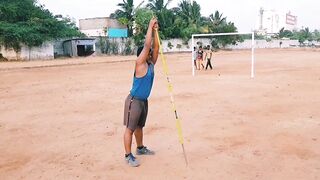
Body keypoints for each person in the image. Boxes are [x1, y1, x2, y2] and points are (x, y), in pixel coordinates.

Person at [123, 17, 159, 167]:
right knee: (130, 129)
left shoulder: (151, 64)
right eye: (147, 52)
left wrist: (156, 31)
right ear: (142, 55)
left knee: (139, 127)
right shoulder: (140, 64)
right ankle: (127, 155)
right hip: (134, 101)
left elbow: (155, 48)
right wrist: (150, 26)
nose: (150, 53)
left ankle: (140, 148)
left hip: (144, 101)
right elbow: (147, 44)